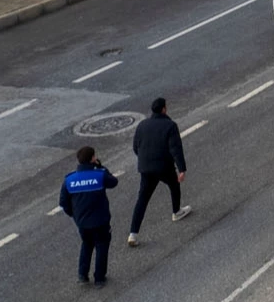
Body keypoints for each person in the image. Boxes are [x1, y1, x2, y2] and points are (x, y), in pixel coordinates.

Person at [128, 97, 191, 246]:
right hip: (163, 166)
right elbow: (175, 148)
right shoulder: (170, 126)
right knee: (174, 185)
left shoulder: (142, 125)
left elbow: (136, 146)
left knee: (142, 199)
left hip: (145, 168)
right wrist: (182, 169)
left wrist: (145, 160)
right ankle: (176, 211)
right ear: (164, 109)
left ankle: (133, 233)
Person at [60, 145, 118, 287]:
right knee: (101, 246)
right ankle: (99, 278)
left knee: (86, 245)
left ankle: (82, 275)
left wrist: (75, 216)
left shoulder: (69, 180)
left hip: (82, 222)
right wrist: (101, 167)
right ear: (93, 158)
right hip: (101, 220)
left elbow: (64, 203)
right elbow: (113, 182)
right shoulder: (100, 175)